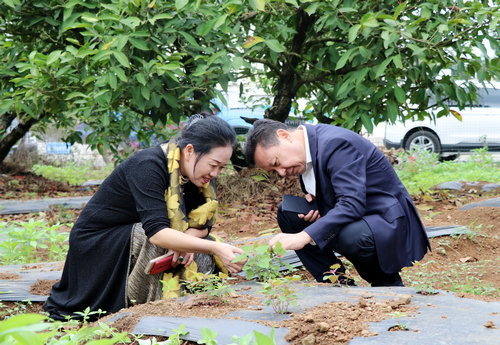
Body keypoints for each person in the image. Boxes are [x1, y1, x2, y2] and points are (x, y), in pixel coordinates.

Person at [44, 113, 246, 321]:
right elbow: (157, 233)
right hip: (99, 243)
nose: (216, 173)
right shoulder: (148, 165)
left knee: (196, 244)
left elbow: (204, 225)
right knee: (156, 239)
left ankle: (193, 302)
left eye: (221, 167)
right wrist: (213, 247)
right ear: (190, 151)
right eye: (213, 165)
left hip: (143, 232)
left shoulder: (200, 174)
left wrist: (186, 241)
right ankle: (153, 309)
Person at [244, 119, 430, 287]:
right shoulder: (307, 150)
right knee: (288, 212)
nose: (282, 173)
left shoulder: (336, 143)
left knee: (352, 236)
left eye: (276, 162)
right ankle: (336, 283)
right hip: (361, 214)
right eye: (274, 170)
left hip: (385, 219)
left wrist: (304, 236)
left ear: (284, 136)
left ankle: (387, 284)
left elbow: (352, 204)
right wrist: (318, 202)